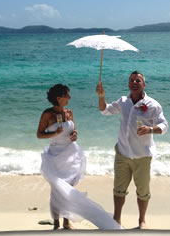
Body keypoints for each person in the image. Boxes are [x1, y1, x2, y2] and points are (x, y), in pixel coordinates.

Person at [37, 83, 122, 230]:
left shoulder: (69, 112)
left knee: (68, 189)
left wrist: (74, 135)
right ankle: (56, 223)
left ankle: (66, 221)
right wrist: (54, 133)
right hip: (55, 156)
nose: (69, 97)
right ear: (59, 98)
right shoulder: (48, 114)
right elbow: (39, 134)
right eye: (67, 95)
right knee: (57, 189)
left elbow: (73, 131)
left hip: (70, 154)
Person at [96, 71, 168, 229]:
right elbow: (105, 110)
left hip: (142, 155)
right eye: (131, 80)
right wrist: (101, 96)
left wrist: (150, 129)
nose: (134, 82)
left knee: (143, 191)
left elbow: (164, 126)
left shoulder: (153, 105)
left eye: (138, 80)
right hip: (122, 153)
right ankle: (116, 219)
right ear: (128, 84)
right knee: (119, 189)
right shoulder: (123, 101)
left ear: (144, 85)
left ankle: (142, 221)